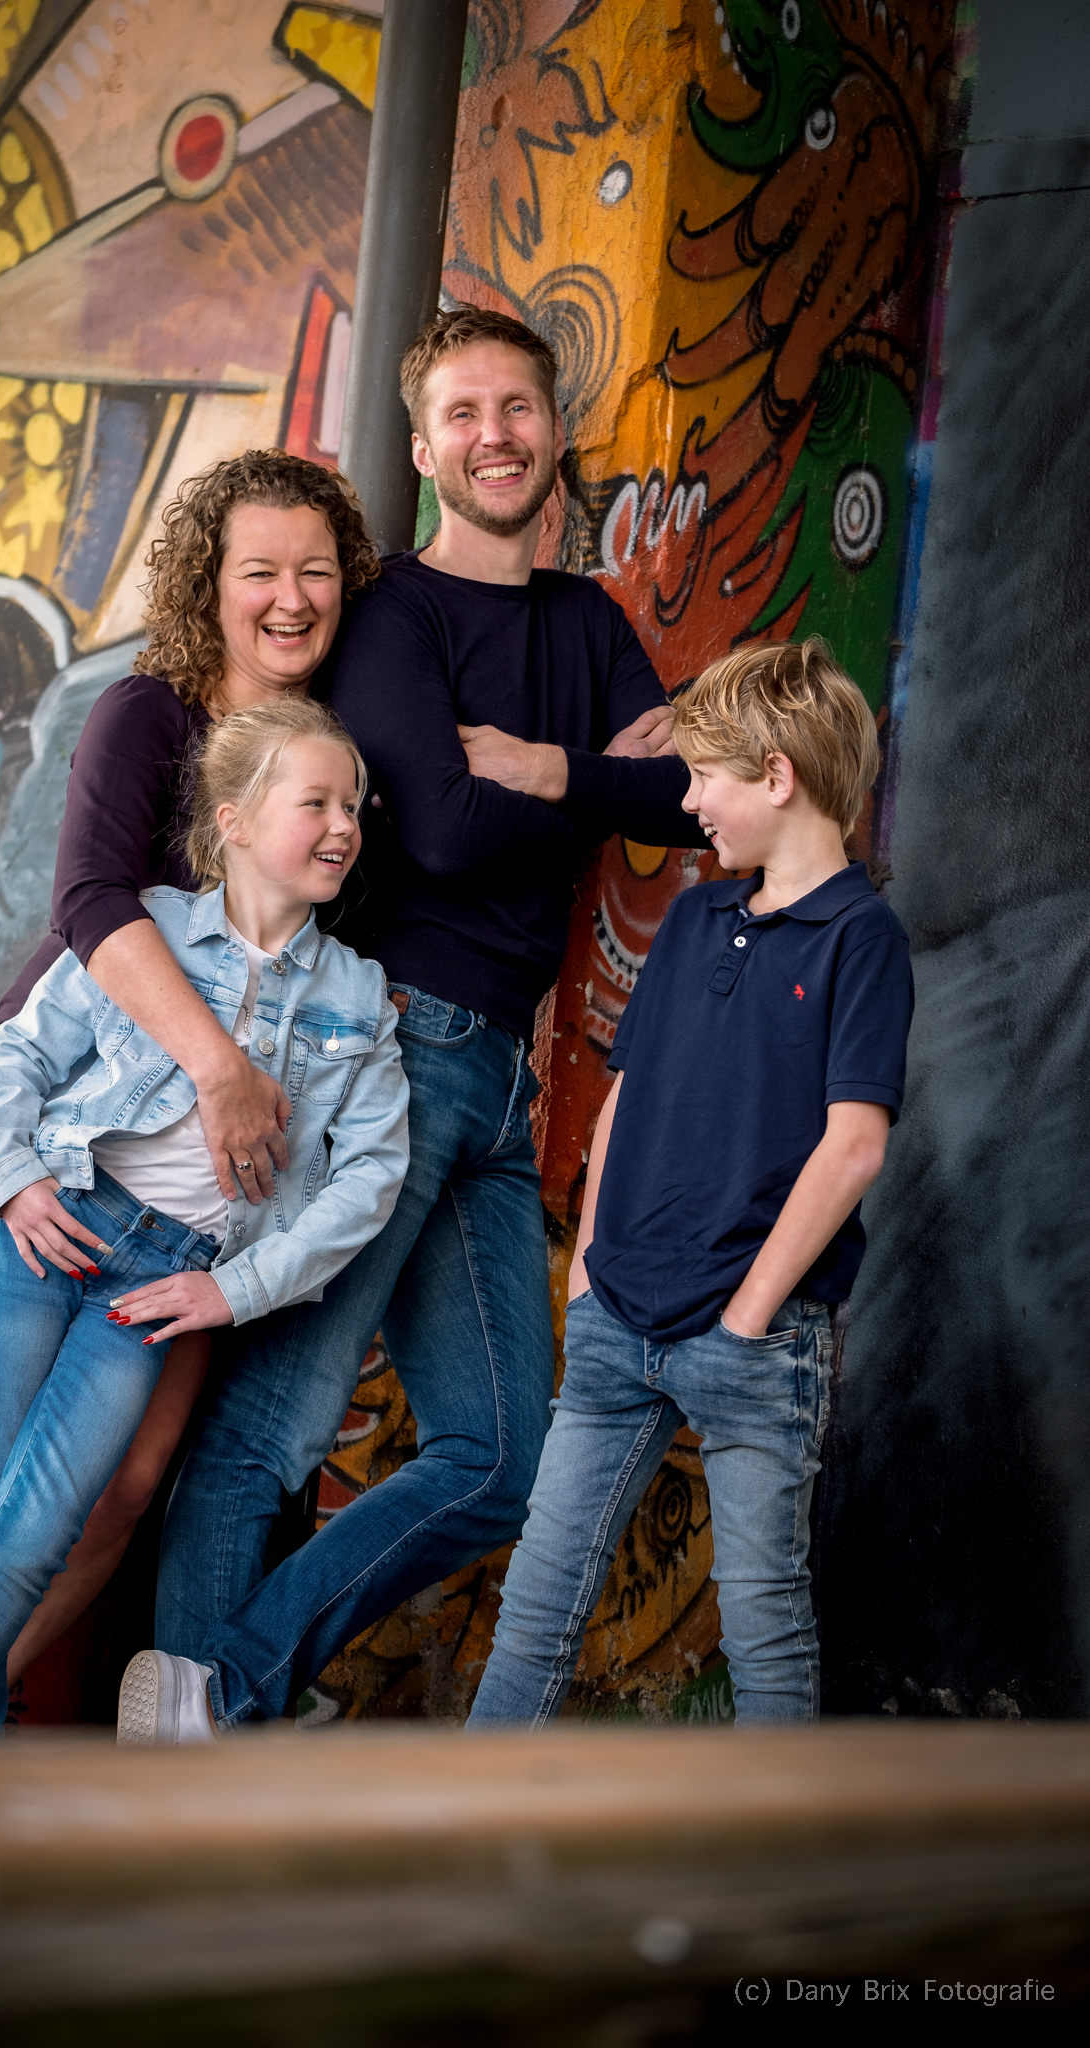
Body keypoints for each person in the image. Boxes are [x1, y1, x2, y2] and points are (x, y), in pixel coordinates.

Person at [133, 305, 706, 1740]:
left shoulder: (587, 622)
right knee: (273, 1426)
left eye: (517, 408)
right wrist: (590, 779)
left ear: (554, 430)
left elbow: (690, 793)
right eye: (463, 413)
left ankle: (216, 1691)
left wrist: (543, 766)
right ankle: (182, 1763)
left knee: (499, 1456)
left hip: (500, 1077)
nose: (493, 436)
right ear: (423, 445)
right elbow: (440, 830)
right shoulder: (397, 613)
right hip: (390, 1045)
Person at [0, 452, 380, 1694]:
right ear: (211, 581)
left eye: (317, 571)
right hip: (60, 1115)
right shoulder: (148, 714)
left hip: (200, 1199)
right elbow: (92, 900)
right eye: (259, 570)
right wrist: (219, 1067)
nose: (290, 598)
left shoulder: (335, 764)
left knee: (126, 1484)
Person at [468, 638, 913, 1727]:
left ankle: (771, 1841)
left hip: (752, 1341)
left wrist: (749, 1313)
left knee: (763, 1624)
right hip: (618, 1316)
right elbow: (625, 1097)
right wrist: (588, 1270)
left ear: (778, 775)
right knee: (536, 1603)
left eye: (705, 774)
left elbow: (854, 1145)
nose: (687, 799)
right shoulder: (695, 920)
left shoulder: (863, 938)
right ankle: (463, 1812)